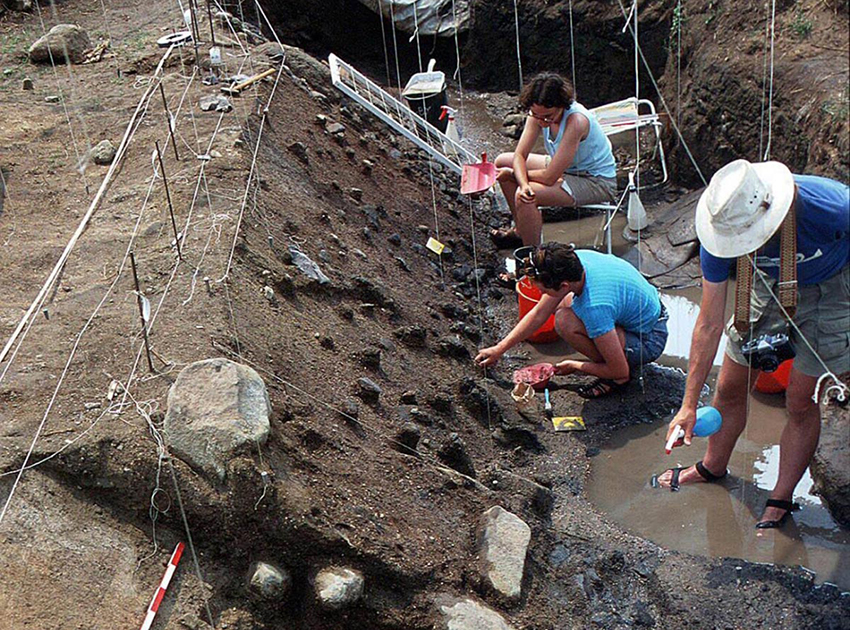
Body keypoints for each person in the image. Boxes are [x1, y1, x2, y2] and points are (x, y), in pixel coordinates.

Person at [656, 159, 850, 529]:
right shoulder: (720, 228)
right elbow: (709, 322)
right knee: (729, 385)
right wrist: (687, 406)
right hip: (763, 284)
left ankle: (781, 497)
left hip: (832, 285)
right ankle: (713, 466)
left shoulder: (833, 206)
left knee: (798, 398)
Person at [474, 242, 669, 398]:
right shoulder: (575, 262)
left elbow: (621, 370)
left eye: (542, 289)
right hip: (643, 311)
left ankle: (615, 382)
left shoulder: (595, 307)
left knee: (565, 321)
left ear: (564, 284)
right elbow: (539, 314)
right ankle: (609, 353)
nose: (540, 292)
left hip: (649, 338)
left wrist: (576, 366)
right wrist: (499, 349)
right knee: (561, 308)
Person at [490, 73, 617, 247]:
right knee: (502, 160)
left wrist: (515, 176)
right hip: (567, 168)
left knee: (525, 197)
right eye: (537, 115)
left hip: (595, 180)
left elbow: (550, 177)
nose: (542, 122)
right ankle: (521, 230)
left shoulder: (576, 121)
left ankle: (532, 257)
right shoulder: (537, 115)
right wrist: (523, 181)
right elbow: (519, 155)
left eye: (548, 117)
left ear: (562, 107)